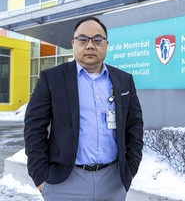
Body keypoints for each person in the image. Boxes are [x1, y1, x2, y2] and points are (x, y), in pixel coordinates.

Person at [24, 16, 144, 201]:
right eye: (82, 39)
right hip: (64, 181)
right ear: (73, 43)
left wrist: (130, 169)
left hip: (113, 181)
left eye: (97, 40)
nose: (90, 45)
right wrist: (40, 177)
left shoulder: (123, 80)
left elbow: (134, 126)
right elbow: (34, 129)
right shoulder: (52, 79)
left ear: (106, 44)